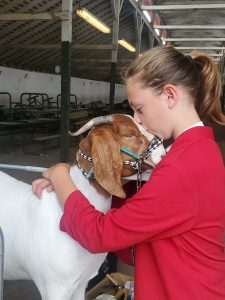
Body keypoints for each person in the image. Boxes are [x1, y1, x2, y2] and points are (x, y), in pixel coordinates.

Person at [32, 47, 225, 300]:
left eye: (139, 108)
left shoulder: (183, 168)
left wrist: (59, 176)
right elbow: (130, 200)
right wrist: (76, 175)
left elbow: (99, 234)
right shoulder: (194, 151)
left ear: (169, 95)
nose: (138, 119)